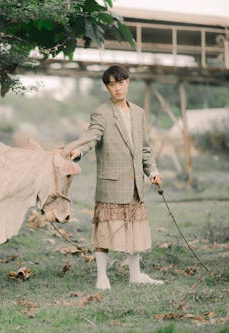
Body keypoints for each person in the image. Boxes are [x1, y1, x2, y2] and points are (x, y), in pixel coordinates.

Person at [70, 64, 163, 289]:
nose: (117, 88)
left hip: (135, 184)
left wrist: (153, 172)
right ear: (107, 87)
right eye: (112, 85)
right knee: (104, 231)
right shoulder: (102, 113)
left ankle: (136, 274)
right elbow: (92, 136)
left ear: (128, 82)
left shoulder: (139, 113)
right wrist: (78, 150)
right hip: (111, 183)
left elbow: (144, 149)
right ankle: (102, 277)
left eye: (120, 83)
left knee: (135, 231)